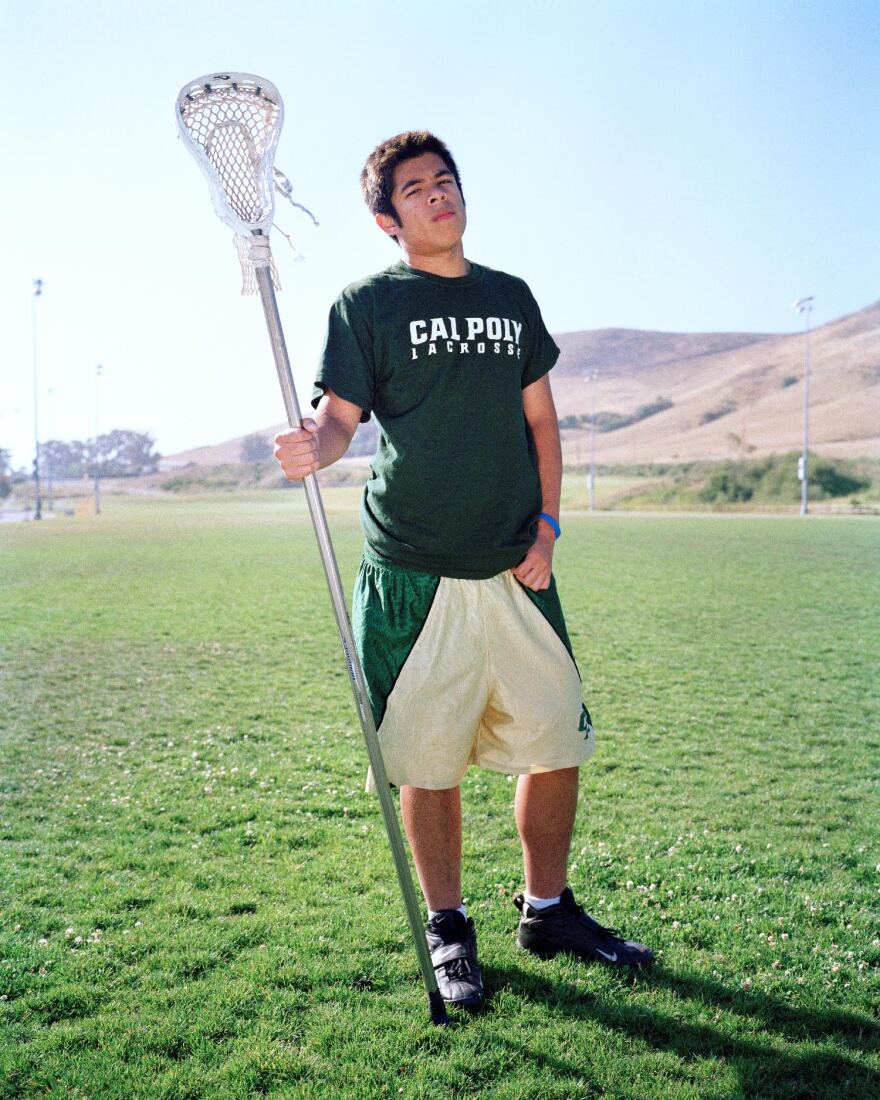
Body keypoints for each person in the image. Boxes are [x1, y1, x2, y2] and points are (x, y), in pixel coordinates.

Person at [274, 131, 653, 1010]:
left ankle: (548, 909)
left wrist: (550, 528)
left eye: (447, 181)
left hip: (517, 562)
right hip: (413, 571)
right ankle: (449, 930)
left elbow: (545, 425)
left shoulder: (510, 297)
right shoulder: (367, 303)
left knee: (558, 739)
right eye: (417, 189)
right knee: (428, 759)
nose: (440, 196)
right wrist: (312, 449)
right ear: (386, 219)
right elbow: (339, 422)